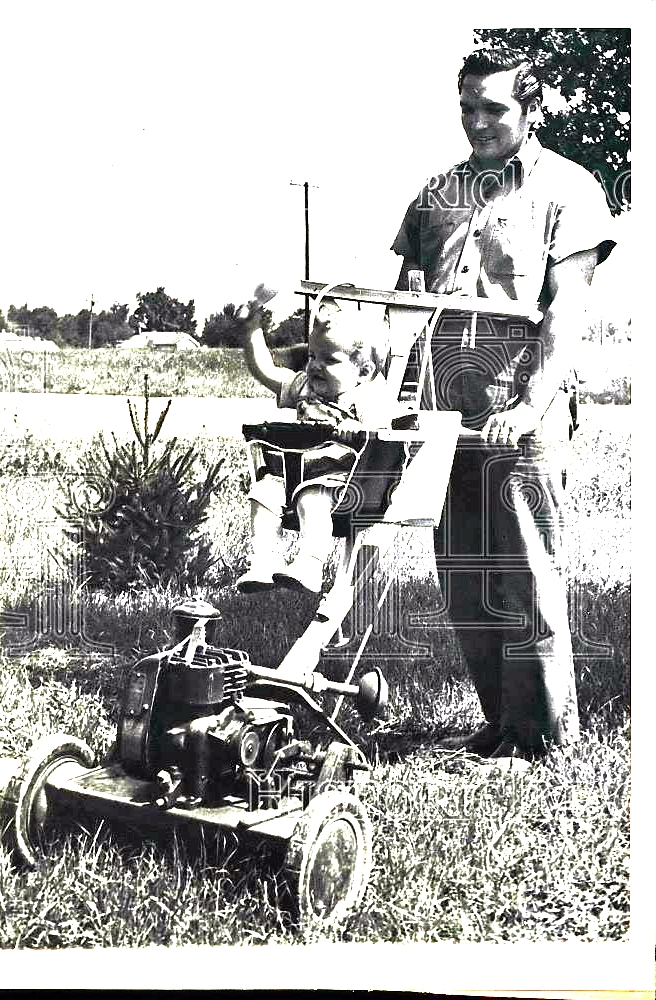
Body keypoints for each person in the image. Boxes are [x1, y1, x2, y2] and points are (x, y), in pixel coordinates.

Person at [391, 46, 617, 760]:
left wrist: (531, 403)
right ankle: (500, 726)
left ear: (532, 109)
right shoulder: (436, 192)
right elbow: (405, 306)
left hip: (521, 408)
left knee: (526, 574)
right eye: (467, 108)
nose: (477, 123)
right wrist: (391, 397)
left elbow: (565, 315)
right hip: (442, 415)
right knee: (462, 575)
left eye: (494, 108)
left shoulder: (570, 190)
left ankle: (546, 740)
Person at [235, 285, 401, 595]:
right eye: (312, 355)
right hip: (293, 473)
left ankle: (310, 563)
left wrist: (359, 426)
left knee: (312, 496)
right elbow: (265, 370)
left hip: (342, 483)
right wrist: (252, 329)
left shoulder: (364, 397)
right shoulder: (305, 387)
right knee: (263, 493)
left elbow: (386, 427)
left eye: (330, 359)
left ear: (363, 371)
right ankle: (265, 559)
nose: (315, 365)